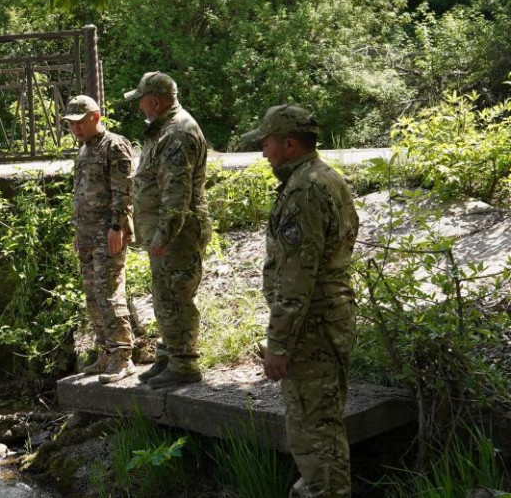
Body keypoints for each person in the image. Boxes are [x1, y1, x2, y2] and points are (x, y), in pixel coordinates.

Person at [237, 105, 359, 498]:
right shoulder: (326, 178)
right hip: (329, 318)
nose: (263, 151)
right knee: (323, 423)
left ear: (288, 144)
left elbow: (296, 277)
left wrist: (279, 342)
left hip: (312, 328)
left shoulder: (305, 189)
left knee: (313, 430)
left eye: (267, 142)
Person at [124, 71, 212, 389]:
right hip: (164, 231)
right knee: (164, 294)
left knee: (176, 296)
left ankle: (184, 363)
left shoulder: (177, 133)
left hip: (179, 232)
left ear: (156, 101)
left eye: (142, 101)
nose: (139, 108)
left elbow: (178, 191)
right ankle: (168, 356)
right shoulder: (162, 129)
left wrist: (165, 232)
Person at [61, 95, 137, 384]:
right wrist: (79, 233)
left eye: (80, 123)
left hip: (108, 234)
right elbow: (81, 195)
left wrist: (118, 226)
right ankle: (106, 351)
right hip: (88, 234)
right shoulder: (84, 149)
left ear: (96, 117)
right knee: (92, 295)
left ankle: (122, 356)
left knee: (109, 293)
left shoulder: (114, 145)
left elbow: (123, 190)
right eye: (71, 124)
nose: (75, 129)